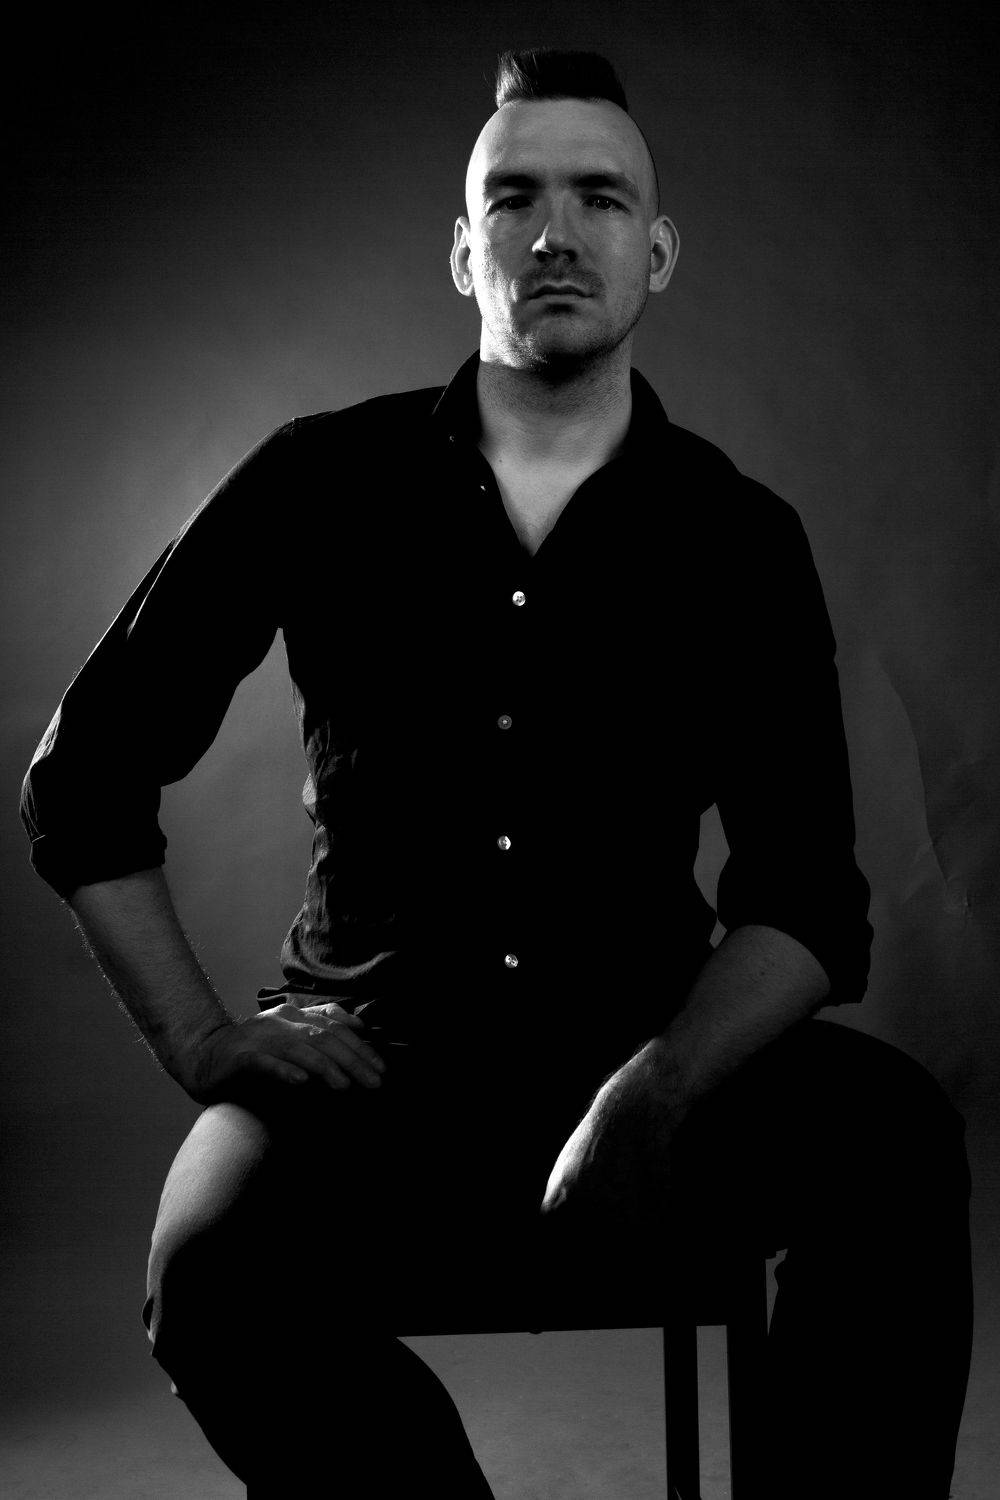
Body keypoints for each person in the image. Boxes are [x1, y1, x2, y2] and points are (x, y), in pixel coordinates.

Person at [21, 47, 972, 1499]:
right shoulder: (317, 479)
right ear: (465, 251)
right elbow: (85, 779)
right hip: (374, 1063)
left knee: (897, 1151)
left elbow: (805, 904)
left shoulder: (738, 534)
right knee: (210, 1280)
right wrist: (204, 1042)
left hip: (652, 1045)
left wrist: (654, 1094)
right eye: (513, 198)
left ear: (656, 253)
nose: (554, 234)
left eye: (600, 198)